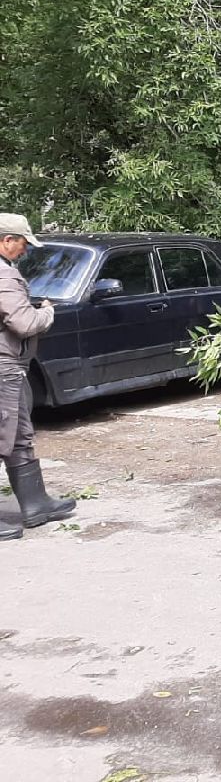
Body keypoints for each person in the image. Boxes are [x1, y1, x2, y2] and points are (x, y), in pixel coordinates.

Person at [0, 213, 76, 541]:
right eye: (23, 243)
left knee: (18, 435)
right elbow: (24, 324)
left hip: (10, 368)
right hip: (2, 368)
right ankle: (34, 504)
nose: (26, 250)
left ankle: (35, 504)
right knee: (3, 433)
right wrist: (46, 312)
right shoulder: (4, 276)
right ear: (6, 240)